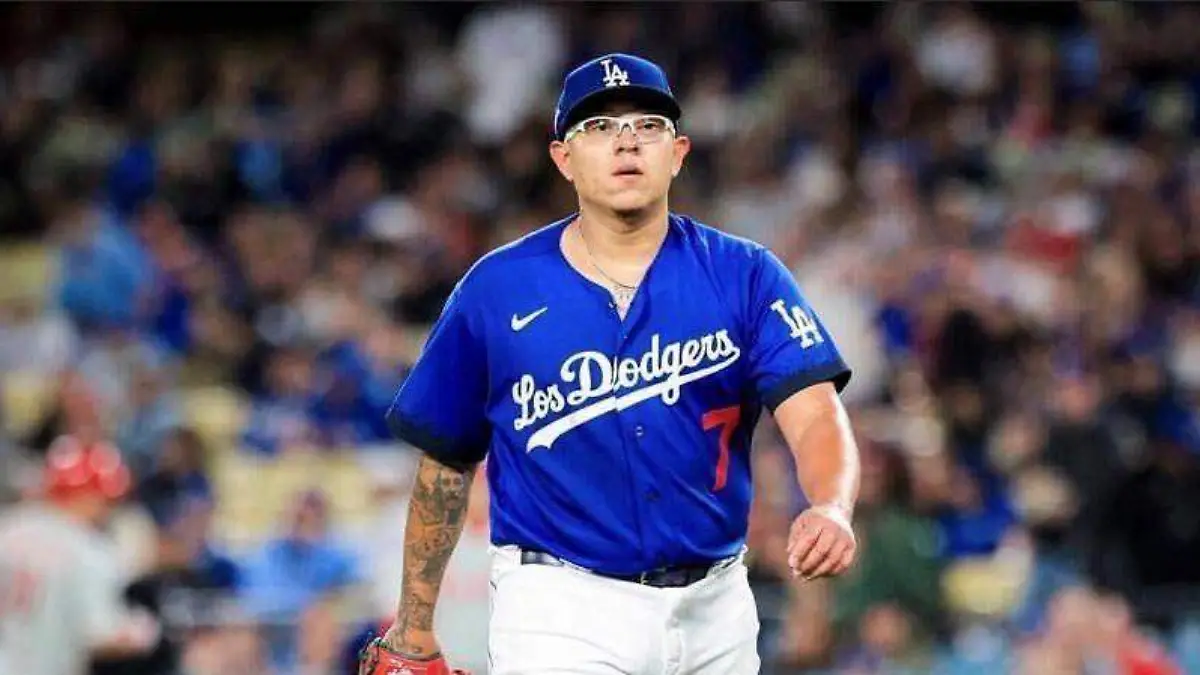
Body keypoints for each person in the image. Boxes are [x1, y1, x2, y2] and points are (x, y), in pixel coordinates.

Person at [358, 52, 862, 675]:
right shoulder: (497, 289)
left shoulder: (746, 275)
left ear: (678, 152)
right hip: (561, 603)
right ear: (563, 159)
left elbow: (815, 412)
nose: (626, 142)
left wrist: (831, 504)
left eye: (647, 125)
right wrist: (412, 630)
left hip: (717, 604)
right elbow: (445, 461)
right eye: (599, 127)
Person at [0, 436, 161, 675]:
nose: (108, 509)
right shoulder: (88, 549)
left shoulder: (7, 528)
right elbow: (100, 634)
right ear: (88, 495)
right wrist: (143, 629)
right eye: (105, 500)